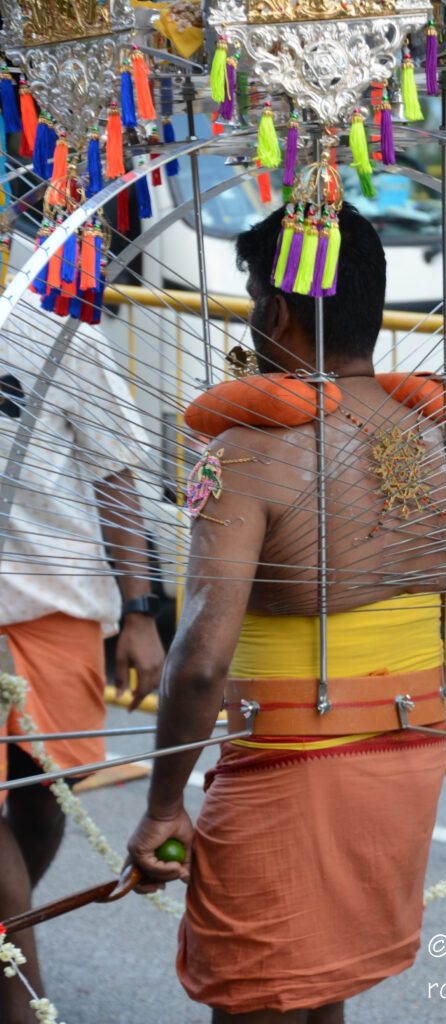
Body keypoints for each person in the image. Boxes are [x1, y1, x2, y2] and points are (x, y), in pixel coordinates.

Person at [127, 202, 446, 1024]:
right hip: (402, 759)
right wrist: (383, 709)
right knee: (318, 984)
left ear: (277, 310)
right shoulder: (439, 449)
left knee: (258, 997)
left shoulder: (245, 452)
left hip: (285, 771)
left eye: (257, 294)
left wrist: (162, 807)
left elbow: (199, 659)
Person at [0, 290, 165, 1023]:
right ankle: (20, 996)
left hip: (58, 608)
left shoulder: (56, 322)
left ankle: (7, 929)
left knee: (48, 794)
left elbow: (114, 470)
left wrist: (139, 611)